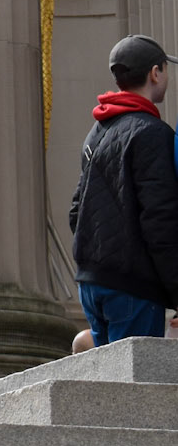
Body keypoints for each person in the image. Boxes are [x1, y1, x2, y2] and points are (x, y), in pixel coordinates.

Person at [70, 33, 178, 343]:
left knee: (110, 381)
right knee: (136, 384)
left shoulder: (96, 132)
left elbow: (76, 211)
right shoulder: (153, 133)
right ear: (155, 73)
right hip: (133, 285)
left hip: (91, 282)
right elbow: (159, 218)